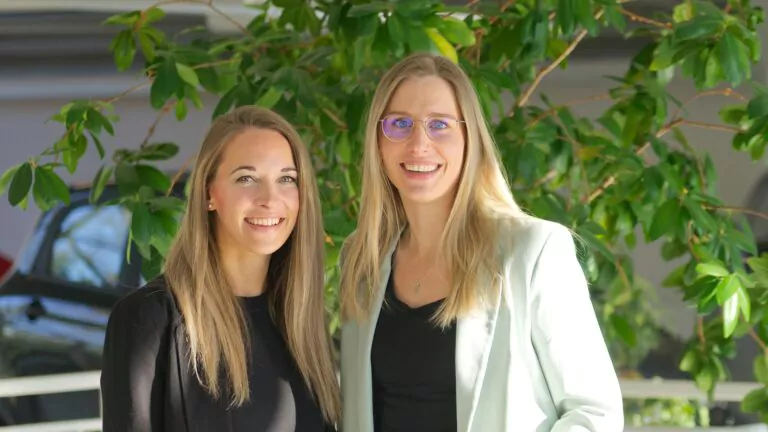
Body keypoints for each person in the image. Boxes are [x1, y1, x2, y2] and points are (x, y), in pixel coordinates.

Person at [338, 53, 624, 432]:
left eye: (439, 125)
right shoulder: (361, 258)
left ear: (469, 139)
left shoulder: (533, 251)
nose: (418, 143)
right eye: (399, 124)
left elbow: (595, 415)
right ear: (378, 142)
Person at [101, 106, 340, 431]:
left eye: (286, 179)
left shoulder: (302, 322)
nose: (270, 198)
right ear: (209, 193)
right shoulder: (150, 320)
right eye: (247, 178)